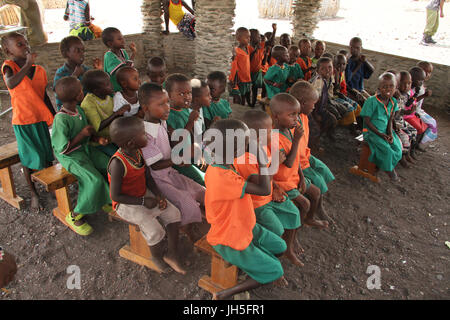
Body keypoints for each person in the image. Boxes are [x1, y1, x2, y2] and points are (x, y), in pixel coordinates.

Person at [204, 118, 287, 300]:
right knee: (276, 270)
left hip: (244, 225)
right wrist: (263, 160)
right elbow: (265, 189)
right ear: (236, 151)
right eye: (248, 143)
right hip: (229, 235)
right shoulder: (221, 176)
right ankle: (224, 294)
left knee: (280, 246)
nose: (252, 145)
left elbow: (250, 181)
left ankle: (253, 267)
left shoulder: (223, 164)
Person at [108, 116, 186, 274]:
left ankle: (172, 253)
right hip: (125, 203)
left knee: (174, 213)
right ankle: (156, 257)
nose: (147, 136)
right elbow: (116, 196)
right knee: (155, 230)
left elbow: (148, 177)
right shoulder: (118, 163)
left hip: (143, 194)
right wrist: (143, 201)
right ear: (131, 142)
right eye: (143, 134)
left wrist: (158, 196)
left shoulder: (138, 152)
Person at [234, 110, 302, 266]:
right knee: (276, 230)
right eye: (270, 131)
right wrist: (276, 164)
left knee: (294, 213)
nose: (273, 134)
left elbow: (269, 180)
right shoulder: (244, 159)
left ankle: (288, 250)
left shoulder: (263, 148)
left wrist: (276, 187)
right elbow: (260, 185)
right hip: (256, 204)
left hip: (270, 194)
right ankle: (268, 260)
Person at [139, 82, 205, 242]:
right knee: (186, 201)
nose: (167, 107)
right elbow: (154, 165)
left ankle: (201, 216)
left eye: (167, 102)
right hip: (159, 178)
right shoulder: (145, 135)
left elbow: (170, 143)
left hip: (171, 171)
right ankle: (186, 228)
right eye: (161, 104)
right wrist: (177, 159)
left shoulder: (161, 122)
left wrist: (183, 155)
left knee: (201, 191)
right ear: (145, 108)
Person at [1, 32, 55, 211]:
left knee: (46, 155)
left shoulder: (38, 70)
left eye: (25, 43)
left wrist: (54, 116)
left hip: (41, 119)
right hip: (24, 122)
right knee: (28, 158)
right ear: (9, 51)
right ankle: (33, 193)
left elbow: (44, 95)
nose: (25, 47)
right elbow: (11, 84)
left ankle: (50, 184)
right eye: (19, 44)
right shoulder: (9, 67)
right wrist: (27, 64)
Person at [52, 76, 112, 235]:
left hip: (84, 148)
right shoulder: (60, 119)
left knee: (110, 165)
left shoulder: (78, 110)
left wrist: (97, 139)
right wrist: (81, 135)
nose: (82, 92)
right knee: (94, 180)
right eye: (80, 91)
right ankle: (76, 214)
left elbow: (87, 134)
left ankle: (104, 198)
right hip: (71, 156)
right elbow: (62, 148)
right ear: (75, 96)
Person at [270, 94, 329, 231]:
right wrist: (297, 140)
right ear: (276, 116)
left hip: (295, 176)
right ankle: (293, 233)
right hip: (283, 182)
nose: (296, 119)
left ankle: (308, 219)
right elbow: (289, 163)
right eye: (292, 115)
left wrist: (302, 177)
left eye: (297, 115)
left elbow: (295, 161)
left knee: (316, 192)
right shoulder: (274, 138)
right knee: (305, 204)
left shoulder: (288, 131)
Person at [290, 81, 335, 224]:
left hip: (306, 155)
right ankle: (318, 208)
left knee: (325, 171)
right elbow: (292, 154)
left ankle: (318, 204)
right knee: (318, 181)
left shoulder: (303, 116)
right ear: (302, 103)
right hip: (299, 164)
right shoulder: (290, 124)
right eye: (313, 103)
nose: (314, 106)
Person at [360, 73, 402, 181]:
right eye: (384, 86)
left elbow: (390, 120)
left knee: (397, 147)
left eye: (391, 86)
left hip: (384, 131)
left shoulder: (393, 102)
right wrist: (380, 134)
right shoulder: (371, 101)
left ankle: (382, 165)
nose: (388, 89)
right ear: (379, 88)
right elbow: (367, 121)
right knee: (386, 149)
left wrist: (390, 134)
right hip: (371, 131)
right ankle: (389, 169)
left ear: (396, 87)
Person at [165, 73, 206, 186]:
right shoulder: (168, 116)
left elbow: (191, 134)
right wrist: (190, 121)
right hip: (179, 160)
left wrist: (198, 152)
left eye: (189, 93)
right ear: (169, 95)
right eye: (182, 94)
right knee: (203, 180)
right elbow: (176, 141)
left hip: (190, 155)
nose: (187, 97)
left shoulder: (185, 110)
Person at [81, 69, 130, 157]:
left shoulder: (109, 97)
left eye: (110, 82)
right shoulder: (88, 103)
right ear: (96, 91)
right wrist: (117, 113)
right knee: (119, 157)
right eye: (107, 84)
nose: (111, 85)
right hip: (100, 141)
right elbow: (98, 127)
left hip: (113, 137)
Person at [54, 35, 102, 111]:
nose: (82, 53)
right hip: (71, 112)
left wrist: (97, 71)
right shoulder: (61, 73)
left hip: (88, 110)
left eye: (83, 50)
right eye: (77, 51)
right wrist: (75, 76)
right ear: (66, 53)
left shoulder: (86, 69)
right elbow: (62, 94)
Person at [309, 57, 342, 146]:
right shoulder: (319, 81)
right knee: (329, 120)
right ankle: (316, 140)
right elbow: (316, 100)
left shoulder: (329, 78)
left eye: (329, 67)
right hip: (314, 107)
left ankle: (326, 134)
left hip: (323, 103)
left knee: (334, 117)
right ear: (318, 70)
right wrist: (316, 114)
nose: (327, 70)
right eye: (323, 68)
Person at [333, 53, 361, 133]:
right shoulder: (333, 74)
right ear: (334, 63)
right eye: (338, 64)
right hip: (334, 97)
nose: (341, 66)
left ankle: (359, 126)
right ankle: (352, 129)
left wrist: (353, 92)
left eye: (343, 64)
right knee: (350, 109)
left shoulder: (342, 73)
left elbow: (345, 86)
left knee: (357, 106)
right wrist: (337, 76)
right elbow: (335, 90)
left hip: (341, 95)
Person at [249, 24, 277, 106]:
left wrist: (274, 30)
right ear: (251, 38)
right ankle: (253, 103)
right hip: (250, 73)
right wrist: (254, 51)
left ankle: (263, 101)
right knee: (254, 89)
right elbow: (248, 60)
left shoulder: (261, 45)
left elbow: (271, 42)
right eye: (257, 36)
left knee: (264, 86)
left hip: (258, 71)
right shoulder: (248, 48)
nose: (259, 38)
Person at [102, 27, 137, 92]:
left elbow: (130, 69)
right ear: (110, 43)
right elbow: (124, 71)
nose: (123, 41)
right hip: (116, 89)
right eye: (119, 39)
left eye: (122, 38)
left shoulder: (123, 52)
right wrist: (133, 53)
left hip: (125, 87)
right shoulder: (109, 56)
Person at [395, 71, 418, 166]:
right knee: (406, 136)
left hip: (400, 120)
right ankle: (402, 157)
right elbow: (394, 113)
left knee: (414, 131)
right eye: (403, 83)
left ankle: (407, 153)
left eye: (409, 83)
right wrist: (405, 112)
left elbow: (401, 110)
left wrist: (409, 112)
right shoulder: (395, 96)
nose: (407, 86)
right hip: (395, 122)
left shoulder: (405, 95)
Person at [414, 62, 438, 148]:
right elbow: (411, 101)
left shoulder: (421, 84)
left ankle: (418, 143)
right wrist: (424, 95)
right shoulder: (415, 85)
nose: (427, 75)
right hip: (414, 111)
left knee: (433, 122)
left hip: (418, 110)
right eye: (426, 71)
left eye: (429, 72)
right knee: (429, 124)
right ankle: (417, 144)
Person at [345, 37, 374, 106]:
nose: (355, 50)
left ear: (361, 48)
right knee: (365, 103)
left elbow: (372, 70)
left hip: (361, 89)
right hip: (351, 90)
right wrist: (358, 65)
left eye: (357, 48)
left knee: (373, 102)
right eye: (352, 47)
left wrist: (365, 61)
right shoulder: (348, 62)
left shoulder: (362, 61)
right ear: (350, 48)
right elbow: (348, 78)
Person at [229, 27, 252, 106]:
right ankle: (238, 110)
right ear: (238, 38)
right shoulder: (236, 51)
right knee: (239, 97)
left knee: (246, 95)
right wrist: (233, 80)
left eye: (249, 37)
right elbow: (234, 66)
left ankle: (246, 107)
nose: (249, 39)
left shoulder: (247, 49)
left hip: (247, 78)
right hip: (240, 79)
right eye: (246, 37)